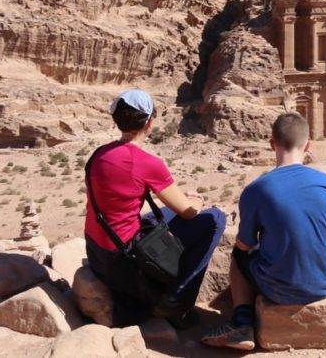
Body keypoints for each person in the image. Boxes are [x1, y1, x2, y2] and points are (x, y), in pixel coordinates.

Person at [202, 112, 326, 351]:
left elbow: (244, 245)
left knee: (238, 256)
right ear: (308, 145)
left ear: (272, 144)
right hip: (324, 285)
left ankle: (242, 322)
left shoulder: (256, 190)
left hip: (276, 290)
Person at [84, 89, 226, 328]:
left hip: (98, 255)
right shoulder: (147, 163)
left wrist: (183, 200)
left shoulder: (100, 154)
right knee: (215, 219)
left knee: (161, 215)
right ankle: (176, 301)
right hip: (125, 265)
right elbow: (188, 212)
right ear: (149, 123)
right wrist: (197, 202)